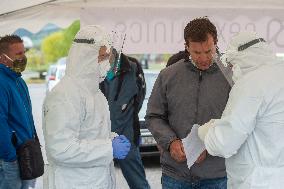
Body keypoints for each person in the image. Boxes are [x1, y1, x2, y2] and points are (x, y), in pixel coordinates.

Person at [145, 17, 231, 189]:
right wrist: (170, 142)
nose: (204, 58)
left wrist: (210, 146)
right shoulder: (168, 75)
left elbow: (238, 122)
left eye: (208, 51)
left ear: (216, 43)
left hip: (217, 176)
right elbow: (154, 116)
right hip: (175, 175)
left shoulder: (231, 76)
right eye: (196, 52)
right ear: (187, 47)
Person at [42, 25, 131, 189]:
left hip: (96, 180)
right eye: (102, 57)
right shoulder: (64, 95)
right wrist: (108, 148)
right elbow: (61, 149)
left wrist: (111, 138)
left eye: (108, 57)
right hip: (72, 183)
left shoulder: (95, 93)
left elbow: (89, 132)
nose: (107, 63)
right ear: (84, 57)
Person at [198, 31, 284, 189]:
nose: (231, 70)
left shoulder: (251, 83)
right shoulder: (278, 74)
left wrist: (206, 131)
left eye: (232, 64)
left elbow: (225, 143)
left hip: (257, 182)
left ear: (242, 58)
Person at [100, 51, 151, 189]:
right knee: (99, 181)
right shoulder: (93, 66)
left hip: (126, 133)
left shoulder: (132, 66)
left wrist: (124, 114)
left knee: (138, 182)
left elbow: (138, 100)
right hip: (98, 136)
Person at [0, 35, 37, 189]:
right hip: (11, 158)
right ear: (3, 58)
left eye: (24, 52)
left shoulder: (19, 80)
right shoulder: (1, 82)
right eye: (18, 54)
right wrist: (10, 156)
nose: (24, 57)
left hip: (26, 153)